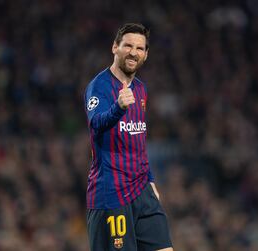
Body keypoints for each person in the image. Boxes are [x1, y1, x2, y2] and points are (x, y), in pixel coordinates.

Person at [84, 23, 173, 251]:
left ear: (146, 54)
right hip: (112, 192)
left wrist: (151, 179)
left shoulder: (141, 89)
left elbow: (137, 141)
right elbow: (97, 124)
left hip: (142, 188)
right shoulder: (98, 86)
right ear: (115, 47)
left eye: (140, 48)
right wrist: (118, 107)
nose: (134, 52)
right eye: (128, 45)